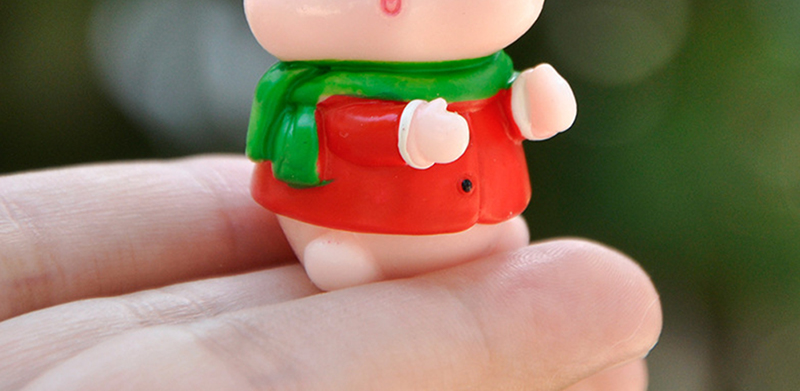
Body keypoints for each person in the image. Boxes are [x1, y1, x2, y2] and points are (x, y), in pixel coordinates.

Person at [0, 155, 661, 390]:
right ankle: (340, 248)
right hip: (346, 212)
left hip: (472, 207)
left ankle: (485, 231)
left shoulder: (483, 73)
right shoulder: (309, 84)